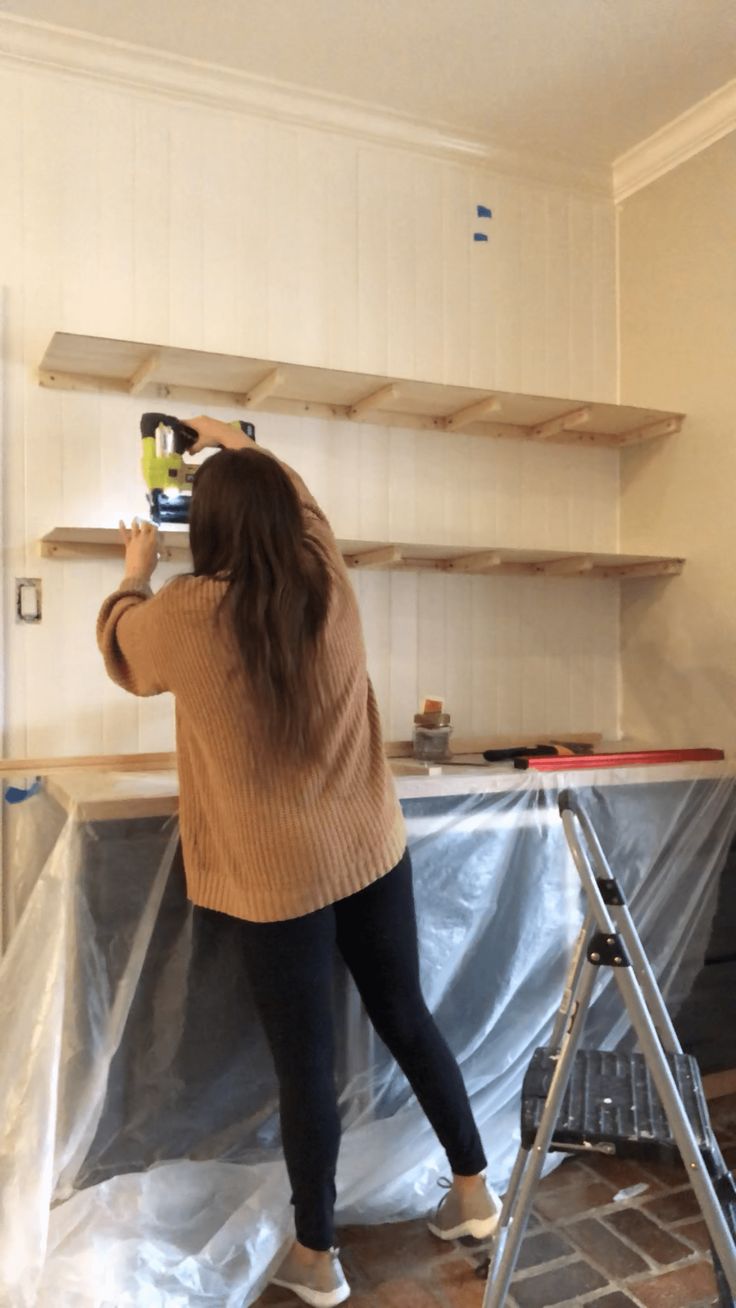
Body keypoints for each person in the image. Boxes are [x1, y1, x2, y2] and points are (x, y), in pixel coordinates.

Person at [97, 416, 499, 1307]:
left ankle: (318, 1259)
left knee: (305, 1066)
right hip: (366, 847)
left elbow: (122, 649)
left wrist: (134, 571)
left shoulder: (185, 617)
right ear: (286, 515)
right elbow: (306, 510)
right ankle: (474, 1193)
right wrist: (240, 443)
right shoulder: (327, 578)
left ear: (208, 532)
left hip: (275, 878)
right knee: (407, 1015)